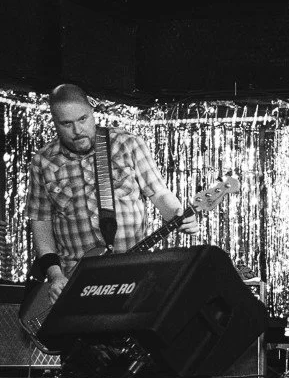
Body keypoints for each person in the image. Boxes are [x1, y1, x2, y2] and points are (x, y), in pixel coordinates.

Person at [26, 83, 198, 302]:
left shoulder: (127, 144)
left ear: (92, 111)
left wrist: (177, 213)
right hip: (75, 282)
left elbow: (159, 193)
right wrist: (55, 275)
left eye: (82, 119)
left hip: (134, 275)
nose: (78, 131)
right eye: (66, 124)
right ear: (54, 122)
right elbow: (41, 224)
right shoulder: (42, 162)